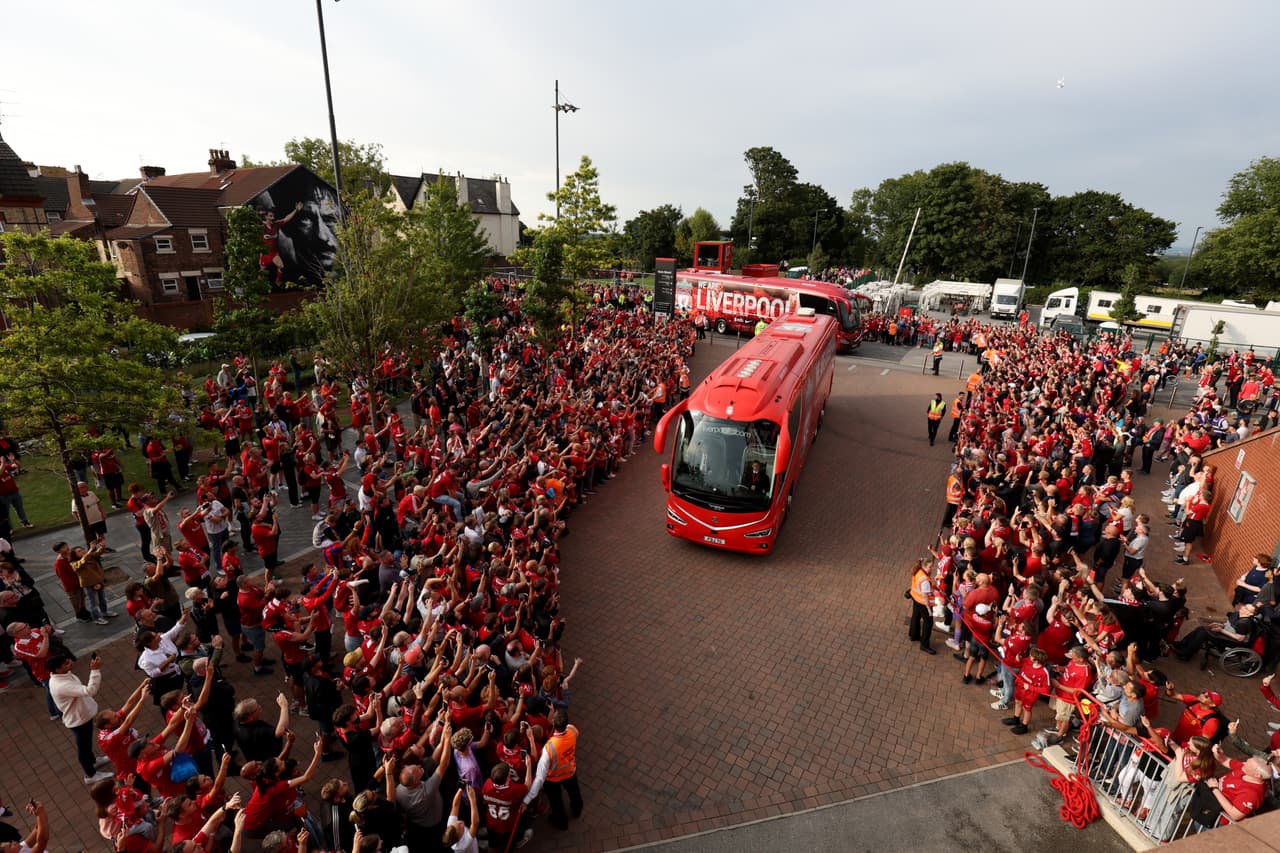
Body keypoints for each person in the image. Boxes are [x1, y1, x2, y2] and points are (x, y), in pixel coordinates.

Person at [47, 651, 114, 784]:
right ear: (57, 669)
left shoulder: (62, 675)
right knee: (83, 747)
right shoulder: (62, 685)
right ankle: (90, 774)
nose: (70, 662)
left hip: (81, 715)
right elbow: (90, 690)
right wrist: (94, 670)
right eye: (66, 663)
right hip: (78, 720)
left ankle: (93, 761)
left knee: (86, 744)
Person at [528, 708, 581, 832]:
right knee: (575, 794)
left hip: (553, 778)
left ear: (553, 722)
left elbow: (540, 776)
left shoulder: (549, 748)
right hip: (570, 772)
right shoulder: (573, 730)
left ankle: (561, 822)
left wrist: (528, 799)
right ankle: (577, 810)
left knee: (556, 802)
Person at [906, 559, 936, 654]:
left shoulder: (918, 571)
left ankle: (913, 635)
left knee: (916, 616)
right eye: (929, 567)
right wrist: (929, 609)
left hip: (916, 598)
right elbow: (925, 596)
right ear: (924, 566)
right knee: (928, 623)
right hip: (923, 602)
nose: (931, 569)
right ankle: (924, 645)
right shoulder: (925, 580)